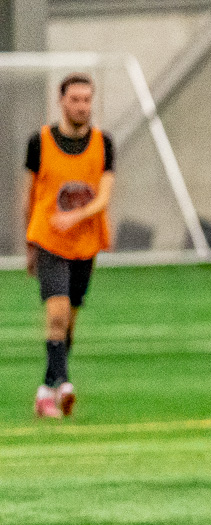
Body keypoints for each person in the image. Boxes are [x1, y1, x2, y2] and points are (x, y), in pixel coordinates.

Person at [24, 73, 115, 419]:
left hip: (84, 243)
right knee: (57, 315)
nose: (82, 106)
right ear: (61, 101)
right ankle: (63, 385)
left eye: (87, 100)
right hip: (49, 239)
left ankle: (46, 389)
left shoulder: (103, 144)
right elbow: (29, 195)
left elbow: (103, 197)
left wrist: (75, 217)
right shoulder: (40, 142)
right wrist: (29, 242)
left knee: (69, 324)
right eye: (75, 99)